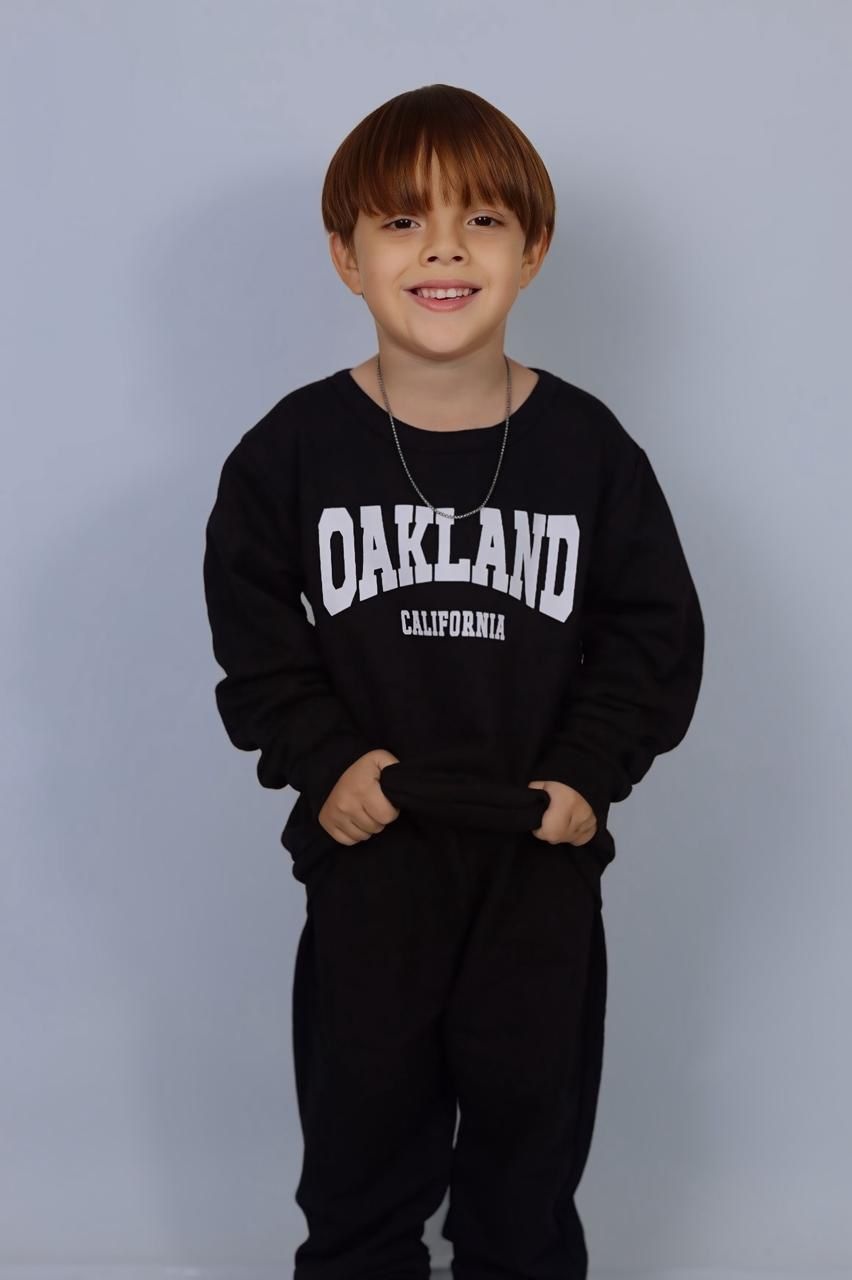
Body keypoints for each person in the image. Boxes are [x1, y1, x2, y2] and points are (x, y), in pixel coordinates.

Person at [202, 83, 704, 1280]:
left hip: (536, 851)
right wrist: (326, 758)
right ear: (346, 256)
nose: (442, 249)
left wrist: (588, 772)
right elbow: (254, 628)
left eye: (481, 220)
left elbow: (654, 630)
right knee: (362, 1140)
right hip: (374, 850)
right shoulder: (291, 449)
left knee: (528, 1148)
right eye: (401, 222)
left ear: (533, 249)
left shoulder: (589, 449)